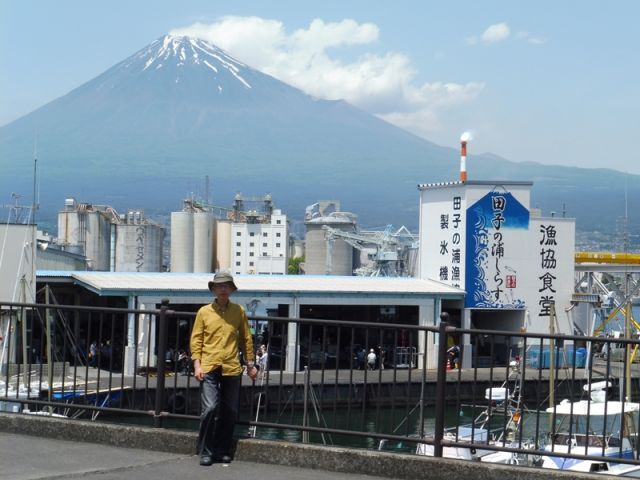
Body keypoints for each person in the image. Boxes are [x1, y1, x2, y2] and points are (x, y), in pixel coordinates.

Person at [190, 272, 257, 467]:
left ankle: (221, 450)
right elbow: (196, 339)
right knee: (210, 408)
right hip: (209, 364)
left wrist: (250, 364)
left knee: (230, 410)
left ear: (231, 289)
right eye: (219, 286)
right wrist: (197, 364)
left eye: (226, 285)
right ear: (213, 289)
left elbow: (246, 338)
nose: (223, 289)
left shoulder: (239, 311)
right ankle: (205, 450)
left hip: (231, 365)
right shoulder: (204, 312)